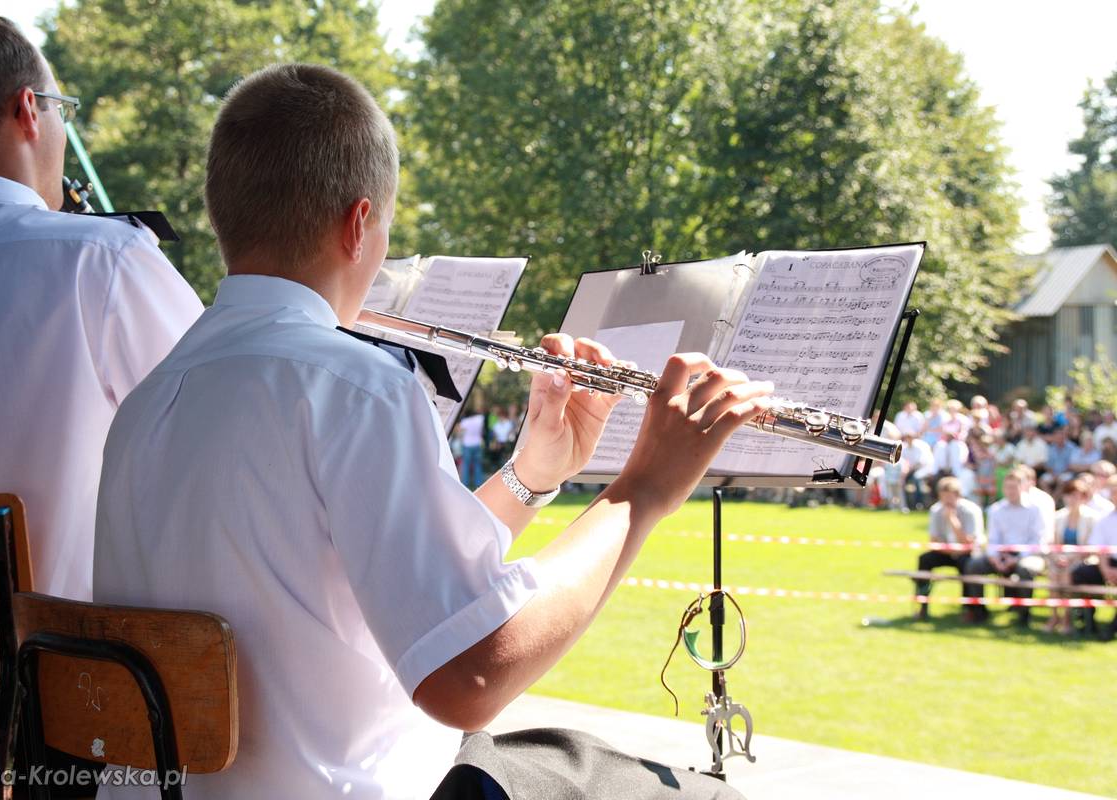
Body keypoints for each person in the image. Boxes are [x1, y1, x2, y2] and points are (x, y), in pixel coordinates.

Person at [92, 63, 767, 800]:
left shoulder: (148, 398)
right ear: (359, 225)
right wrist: (645, 489)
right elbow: (471, 679)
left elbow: (391, 576)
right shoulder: (353, 384)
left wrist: (531, 476)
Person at [0, 10, 204, 774]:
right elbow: (228, 415)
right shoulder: (101, 260)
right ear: (28, 110)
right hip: (89, 707)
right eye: (60, 110)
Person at [965, 472, 1050, 626]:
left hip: (1027, 555)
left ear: (1023, 487)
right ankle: (979, 612)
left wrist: (1017, 558)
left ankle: (1024, 615)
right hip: (1001, 554)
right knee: (974, 565)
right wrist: (994, 558)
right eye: (1007, 487)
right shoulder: (996, 509)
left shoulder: (1036, 509)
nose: (1010, 491)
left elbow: (1038, 541)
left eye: (1014, 487)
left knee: (1025, 569)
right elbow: (993, 539)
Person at [913, 477, 983, 620]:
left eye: (950, 497)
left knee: (969, 565)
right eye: (943, 497)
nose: (947, 501)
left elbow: (970, 543)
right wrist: (951, 550)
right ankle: (922, 605)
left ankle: (970, 609)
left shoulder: (971, 510)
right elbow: (933, 541)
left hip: (966, 553)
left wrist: (953, 521)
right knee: (924, 560)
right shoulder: (936, 510)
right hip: (946, 552)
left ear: (958, 495)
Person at [1046, 478, 1100, 633]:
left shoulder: (1092, 518)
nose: (1072, 499)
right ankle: (1054, 616)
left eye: (1076, 495)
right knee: (1053, 574)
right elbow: (1053, 543)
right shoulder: (1058, 516)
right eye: (1069, 495)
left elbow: (1091, 546)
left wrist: (1070, 559)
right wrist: (1058, 558)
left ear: (1084, 497)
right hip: (1060, 560)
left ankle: (1067, 618)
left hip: (1083, 560)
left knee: (1066, 575)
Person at [1070, 508, 1117, 640]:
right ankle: (1089, 622)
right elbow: (1098, 547)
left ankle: (1111, 629)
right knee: (1081, 573)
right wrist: (1106, 570)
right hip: (1107, 563)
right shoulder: (1105, 519)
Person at [456, 406, 486, 488]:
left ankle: (465, 484)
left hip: (467, 445)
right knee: (477, 464)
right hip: (477, 444)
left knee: (466, 465)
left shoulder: (464, 421)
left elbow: (459, 433)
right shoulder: (479, 419)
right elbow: (482, 429)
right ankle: (479, 484)